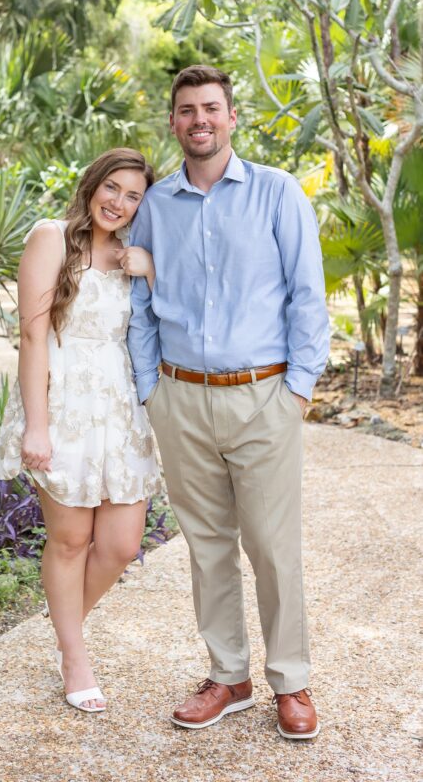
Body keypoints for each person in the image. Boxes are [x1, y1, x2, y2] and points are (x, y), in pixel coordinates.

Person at [128, 65, 330, 740]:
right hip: (180, 399)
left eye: (210, 107)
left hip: (262, 397)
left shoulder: (276, 194)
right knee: (206, 547)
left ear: (232, 116)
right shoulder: (155, 206)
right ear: (173, 122)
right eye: (186, 110)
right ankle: (228, 675)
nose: (198, 120)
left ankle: (291, 682)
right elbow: (138, 303)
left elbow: (307, 297)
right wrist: (149, 389)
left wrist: (296, 389)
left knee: (272, 547)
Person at [0, 148, 161, 713]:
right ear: (92, 184)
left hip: (117, 408)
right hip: (62, 403)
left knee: (120, 545)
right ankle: (74, 655)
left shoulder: (133, 255)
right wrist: (36, 427)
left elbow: (163, 324)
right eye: (112, 187)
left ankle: (65, 627)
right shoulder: (52, 238)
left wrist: (152, 273)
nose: (119, 202)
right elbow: (33, 337)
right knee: (70, 541)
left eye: (133, 194)